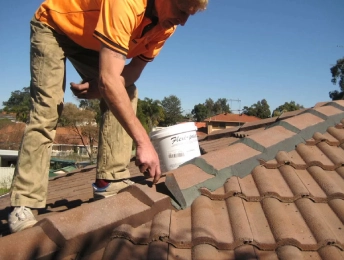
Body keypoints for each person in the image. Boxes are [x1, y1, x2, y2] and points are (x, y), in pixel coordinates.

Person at [8, 0, 208, 233]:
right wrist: (143, 142)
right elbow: (111, 80)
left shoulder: (165, 27)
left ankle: (109, 181)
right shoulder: (127, 3)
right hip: (55, 26)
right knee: (48, 108)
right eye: (181, 11)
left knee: (126, 91)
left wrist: (102, 85)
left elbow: (132, 73)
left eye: (189, 16)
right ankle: (25, 202)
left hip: (92, 38)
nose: (183, 22)